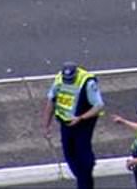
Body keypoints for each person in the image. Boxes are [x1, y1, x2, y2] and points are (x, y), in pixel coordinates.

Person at [42, 61, 105, 189]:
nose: (68, 82)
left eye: (71, 79)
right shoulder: (59, 79)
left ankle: (85, 179)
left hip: (83, 123)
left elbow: (98, 106)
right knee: (69, 152)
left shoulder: (87, 83)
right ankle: (84, 177)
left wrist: (81, 117)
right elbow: (51, 101)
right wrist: (46, 125)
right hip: (66, 122)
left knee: (83, 153)